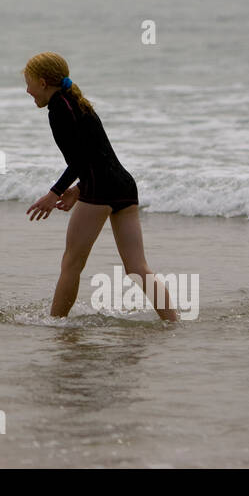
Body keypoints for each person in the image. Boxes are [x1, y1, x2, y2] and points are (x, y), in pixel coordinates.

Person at [24, 52, 178, 320]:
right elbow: (97, 155)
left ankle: (55, 326)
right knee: (138, 267)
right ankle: (173, 323)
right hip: (123, 186)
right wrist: (78, 190)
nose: (28, 91)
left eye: (29, 84)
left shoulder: (59, 109)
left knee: (71, 263)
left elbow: (81, 158)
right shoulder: (77, 103)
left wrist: (55, 193)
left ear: (42, 82)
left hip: (101, 188)